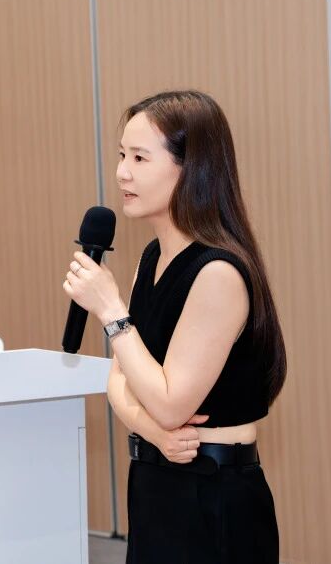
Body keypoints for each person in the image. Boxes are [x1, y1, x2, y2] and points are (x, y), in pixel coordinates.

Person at [62, 90, 286, 562]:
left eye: (140, 158)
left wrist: (111, 310)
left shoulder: (217, 272)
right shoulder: (152, 257)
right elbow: (118, 381)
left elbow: (168, 401)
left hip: (212, 492)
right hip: (155, 480)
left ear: (191, 169)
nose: (122, 172)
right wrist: (155, 432)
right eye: (122, 155)